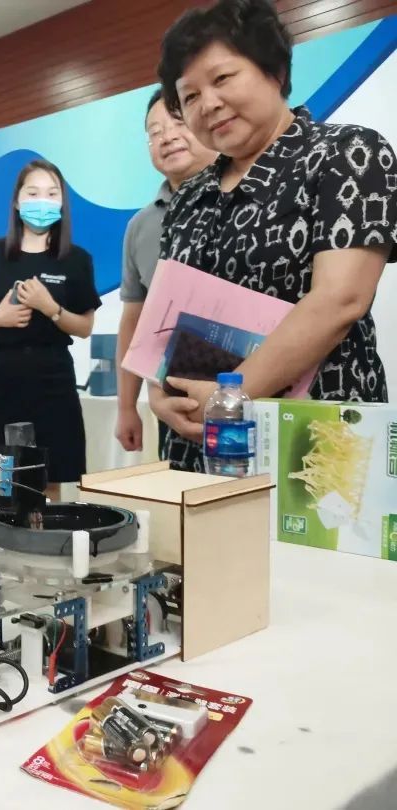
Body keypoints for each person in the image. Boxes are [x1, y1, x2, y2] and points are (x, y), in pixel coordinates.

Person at [153, 0, 396, 472]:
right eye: (190, 96)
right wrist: (158, 393)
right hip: (196, 444)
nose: (209, 103)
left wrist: (228, 398)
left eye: (223, 78)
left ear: (274, 70)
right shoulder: (189, 196)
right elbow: (166, 313)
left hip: (313, 439)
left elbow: (341, 300)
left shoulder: (346, 153)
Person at [0, 159, 101, 502]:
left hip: (52, 376)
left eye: (52, 194)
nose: (42, 201)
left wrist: (49, 307)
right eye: (33, 192)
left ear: (62, 202)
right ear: (17, 201)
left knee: (50, 476)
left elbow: (84, 327)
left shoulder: (76, 259)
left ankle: (45, 530)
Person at [115, 90, 217, 454]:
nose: (167, 137)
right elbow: (134, 321)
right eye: (154, 131)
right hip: (174, 405)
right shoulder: (140, 226)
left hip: (256, 393)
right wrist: (127, 406)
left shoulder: (246, 198)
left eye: (178, 122)